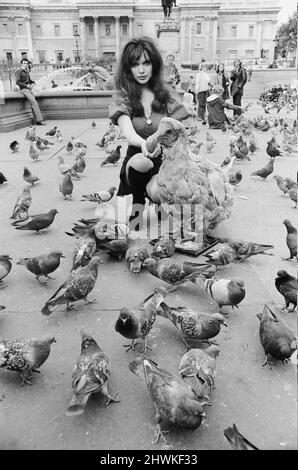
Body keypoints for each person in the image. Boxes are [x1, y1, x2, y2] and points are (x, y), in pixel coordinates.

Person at [108, 36, 190, 230]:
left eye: (146, 63)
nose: (142, 70)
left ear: (154, 64)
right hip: (136, 158)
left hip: (163, 162)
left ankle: (159, 202)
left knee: (157, 192)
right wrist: (144, 143)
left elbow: (178, 129)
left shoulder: (165, 94)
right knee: (140, 161)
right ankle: (138, 204)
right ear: (128, 68)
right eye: (135, 65)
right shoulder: (123, 95)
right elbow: (127, 130)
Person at [15, 58, 45, 125]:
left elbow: (30, 80)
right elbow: (17, 82)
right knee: (34, 103)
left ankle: (36, 121)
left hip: (29, 90)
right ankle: (39, 120)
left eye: (26, 63)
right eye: (24, 63)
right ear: (21, 64)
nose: (26, 64)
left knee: (33, 104)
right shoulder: (19, 71)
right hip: (24, 90)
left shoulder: (26, 71)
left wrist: (33, 82)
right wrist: (26, 86)